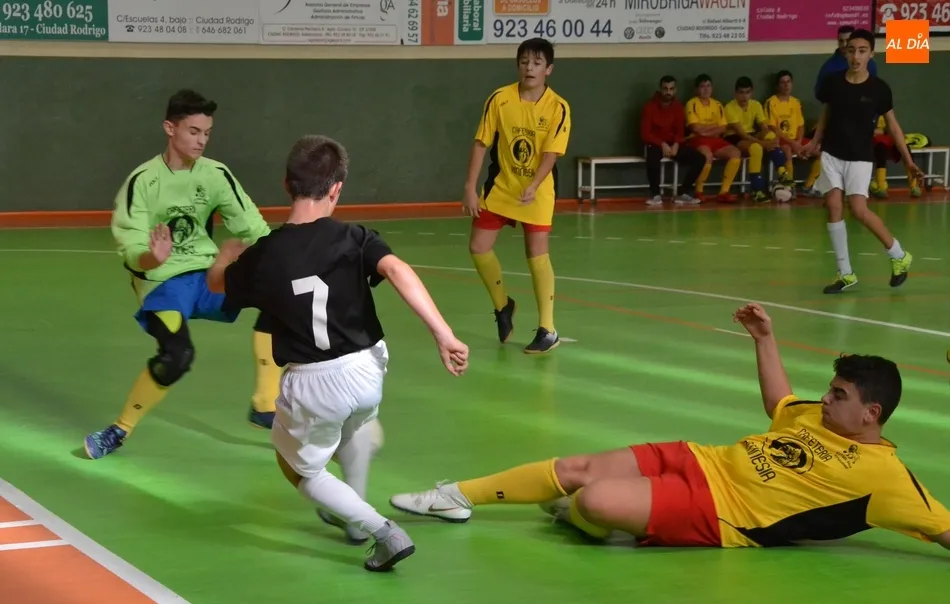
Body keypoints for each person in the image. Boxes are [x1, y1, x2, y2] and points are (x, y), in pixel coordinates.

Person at [389, 303, 950, 551]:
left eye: (839, 395)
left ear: (872, 414)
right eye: (830, 389)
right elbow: (779, 402)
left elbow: (944, 529)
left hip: (720, 514)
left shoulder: (887, 477)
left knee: (594, 499)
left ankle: (588, 516)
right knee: (578, 467)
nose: (825, 399)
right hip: (702, 457)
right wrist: (764, 339)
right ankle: (456, 496)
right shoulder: (813, 416)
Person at [206, 134, 470, 571]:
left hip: (314, 383)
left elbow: (218, 284)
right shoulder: (354, 236)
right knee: (352, 427)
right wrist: (444, 334)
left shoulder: (265, 254)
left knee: (300, 469)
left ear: (286, 184)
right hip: (369, 370)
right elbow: (397, 269)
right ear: (336, 188)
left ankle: (380, 530)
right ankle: (353, 494)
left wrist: (225, 256)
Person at [84, 89, 282, 460]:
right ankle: (119, 429)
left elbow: (254, 228)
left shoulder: (215, 174)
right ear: (169, 128)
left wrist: (279, 260)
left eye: (206, 133)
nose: (201, 140)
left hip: (208, 276)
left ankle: (265, 404)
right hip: (162, 284)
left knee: (280, 298)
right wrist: (152, 257)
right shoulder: (142, 182)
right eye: (193, 131)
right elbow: (131, 249)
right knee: (178, 355)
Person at [463, 37, 571, 355]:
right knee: (478, 247)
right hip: (502, 185)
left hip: (538, 190)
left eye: (537, 63)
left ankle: (548, 330)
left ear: (548, 69)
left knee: (536, 254)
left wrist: (534, 185)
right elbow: (481, 143)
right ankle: (503, 306)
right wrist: (469, 186)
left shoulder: (558, 107)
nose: (529, 68)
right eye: (524, 62)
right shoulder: (500, 98)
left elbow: (551, 154)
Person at [803, 29, 921, 295]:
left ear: (871, 54)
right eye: (851, 50)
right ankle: (845, 273)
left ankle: (899, 254)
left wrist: (908, 160)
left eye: (861, 51)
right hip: (832, 153)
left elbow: (894, 127)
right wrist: (815, 141)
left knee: (858, 210)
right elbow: (826, 114)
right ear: (845, 53)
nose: (855, 56)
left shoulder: (880, 89)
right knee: (833, 206)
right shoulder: (833, 83)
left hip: (859, 156)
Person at [639, 75, 705, 205]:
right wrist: (662, 144)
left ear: (675, 90)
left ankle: (682, 193)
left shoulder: (678, 107)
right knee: (652, 157)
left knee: (699, 159)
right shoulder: (649, 107)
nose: (668, 92)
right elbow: (645, 133)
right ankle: (655, 195)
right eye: (665, 89)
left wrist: (676, 144)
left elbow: (679, 131)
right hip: (655, 143)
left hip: (672, 144)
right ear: (660, 89)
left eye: (671, 89)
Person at [724, 76, 787, 203]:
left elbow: (764, 127)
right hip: (735, 137)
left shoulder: (756, 105)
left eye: (747, 92)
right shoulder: (729, 107)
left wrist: (771, 139)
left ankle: (782, 173)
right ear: (735, 93)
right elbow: (742, 134)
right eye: (741, 93)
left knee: (770, 135)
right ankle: (757, 190)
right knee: (756, 148)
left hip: (752, 134)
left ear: (752, 92)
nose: (744, 96)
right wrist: (764, 144)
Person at [684, 74, 742, 203]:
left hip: (714, 139)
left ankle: (724, 192)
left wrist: (706, 130)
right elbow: (695, 127)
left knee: (735, 153)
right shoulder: (692, 103)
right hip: (696, 139)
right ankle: (699, 191)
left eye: (708, 86)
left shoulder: (717, 104)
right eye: (702, 86)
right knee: (707, 155)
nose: (706, 89)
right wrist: (714, 125)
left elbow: (723, 128)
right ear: (696, 89)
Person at [765, 70, 823, 197]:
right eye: (783, 82)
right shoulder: (771, 102)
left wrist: (799, 142)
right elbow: (772, 127)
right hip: (781, 140)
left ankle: (809, 186)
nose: (786, 85)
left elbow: (801, 126)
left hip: (796, 140)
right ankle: (789, 187)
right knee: (786, 150)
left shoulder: (795, 102)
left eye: (788, 82)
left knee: (821, 151)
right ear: (777, 86)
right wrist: (793, 144)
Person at [814, 25, 878, 100]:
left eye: (847, 40)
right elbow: (819, 94)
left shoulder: (870, 64)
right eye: (841, 41)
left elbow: (873, 90)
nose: (844, 45)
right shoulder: (829, 68)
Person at [870, 115, 923, 199]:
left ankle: (914, 186)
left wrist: (883, 131)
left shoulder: (885, 112)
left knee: (905, 148)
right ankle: (880, 186)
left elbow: (891, 128)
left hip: (886, 138)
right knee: (880, 148)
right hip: (870, 142)